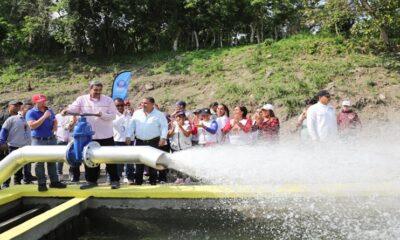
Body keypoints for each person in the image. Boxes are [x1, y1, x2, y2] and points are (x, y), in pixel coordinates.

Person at [63, 80, 120, 190]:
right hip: (89, 136)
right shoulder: (81, 99)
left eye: (99, 90)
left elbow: (113, 116)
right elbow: (73, 108)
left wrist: (102, 114)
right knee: (89, 159)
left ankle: (114, 180)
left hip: (106, 135)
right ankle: (91, 181)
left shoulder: (108, 100)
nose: (97, 92)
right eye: (95, 90)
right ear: (90, 89)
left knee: (110, 159)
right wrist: (67, 110)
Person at [26, 94, 66, 192]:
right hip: (38, 140)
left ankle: (54, 182)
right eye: (41, 101)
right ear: (36, 102)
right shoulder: (30, 113)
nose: (44, 102)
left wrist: (55, 125)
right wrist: (44, 117)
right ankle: (42, 183)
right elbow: (32, 126)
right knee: (39, 163)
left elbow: (53, 120)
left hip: (51, 138)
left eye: (44, 100)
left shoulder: (49, 110)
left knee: (52, 161)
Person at [127, 97, 168, 185]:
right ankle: (138, 183)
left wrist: (163, 138)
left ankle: (153, 183)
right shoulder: (137, 113)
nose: (143, 105)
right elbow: (131, 125)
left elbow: (164, 126)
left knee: (152, 163)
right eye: (142, 103)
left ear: (152, 104)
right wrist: (128, 136)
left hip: (153, 141)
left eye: (145, 103)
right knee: (139, 164)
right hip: (139, 142)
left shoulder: (159, 114)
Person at [0, 103, 32, 187]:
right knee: (7, 166)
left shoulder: (25, 119)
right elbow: (3, 131)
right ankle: (5, 183)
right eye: (15, 105)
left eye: (18, 106)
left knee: (19, 166)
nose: (17, 107)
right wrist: (2, 142)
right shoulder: (5, 117)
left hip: (22, 146)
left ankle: (17, 182)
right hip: (8, 145)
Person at [113, 98, 135, 184]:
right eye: (118, 106)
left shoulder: (129, 114)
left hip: (128, 140)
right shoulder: (113, 114)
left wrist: (129, 136)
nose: (120, 107)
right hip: (118, 140)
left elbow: (131, 126)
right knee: (118, 161)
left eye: (122, 105)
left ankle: (130, 178)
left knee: (129, 161)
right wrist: (123, 116)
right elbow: (115, 124)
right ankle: (117, 178)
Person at [55, 108, 77, 181]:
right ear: (60, 110)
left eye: (67, 110)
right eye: (64, 110)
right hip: (59, 139)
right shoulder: (56, 117)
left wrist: (73, 123)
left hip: (69, 139)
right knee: (59, 158)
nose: (66, 112)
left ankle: (71, 173)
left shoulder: (71, 116)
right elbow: (54, 127)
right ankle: (59, 174)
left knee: (71, 157)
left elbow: (72, 126)